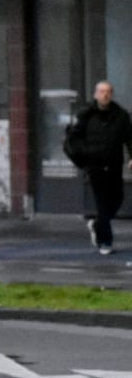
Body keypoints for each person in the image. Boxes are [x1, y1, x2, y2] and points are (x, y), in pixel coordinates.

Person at [71, 81, 132, 254]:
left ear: (111, 95)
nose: (105, 95)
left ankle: (96, 224)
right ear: (95, 94)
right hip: (95, 165)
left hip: (114, 164)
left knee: (117, 198)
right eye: (101, 91)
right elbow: (74, 137)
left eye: (108, 92)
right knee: (103, 203)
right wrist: (84, 154)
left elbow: (129, 137)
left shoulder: (121, 115)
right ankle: (105, 241)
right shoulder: (86, 115)